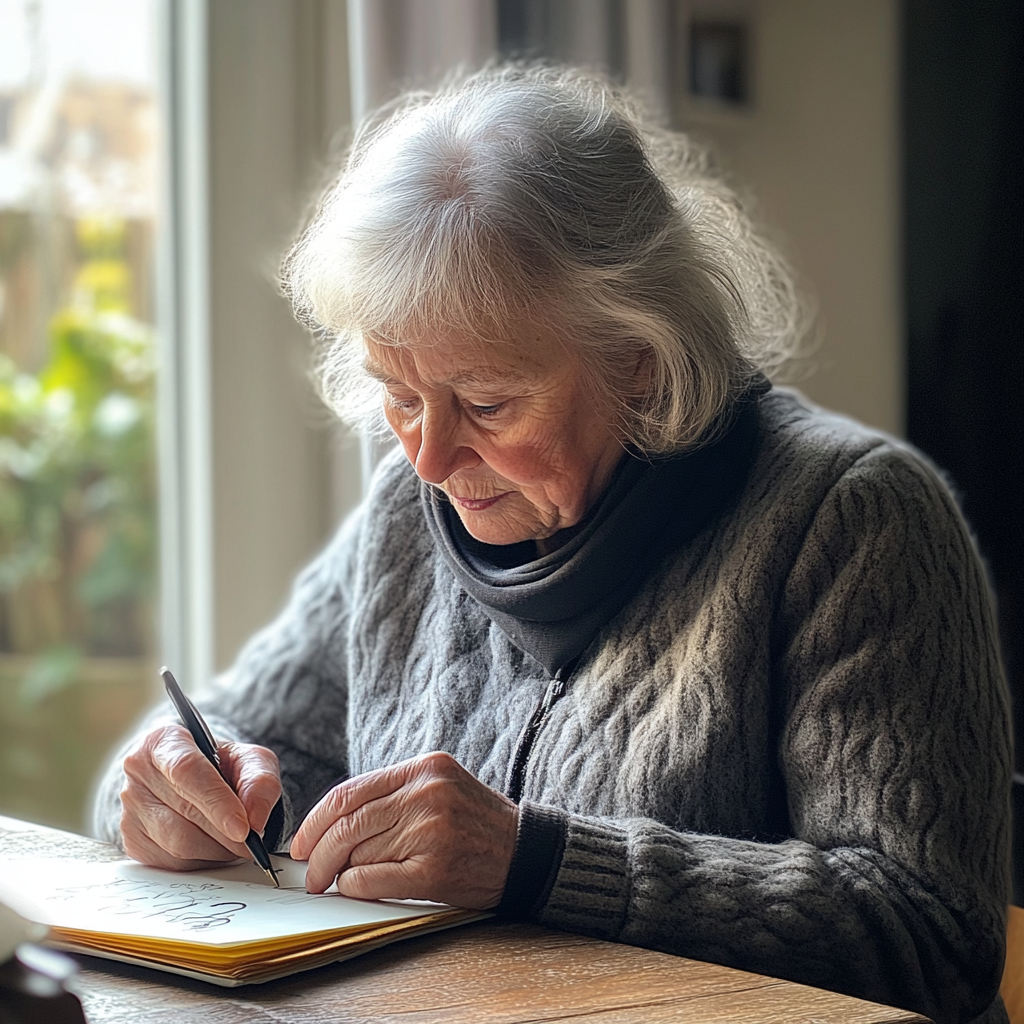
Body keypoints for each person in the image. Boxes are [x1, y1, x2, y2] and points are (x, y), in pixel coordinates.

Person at [93, 66, 1011, 1024]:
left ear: (639, 360)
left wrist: (539, 862)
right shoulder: (407, 516)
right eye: (400, 397)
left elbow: (932, 937)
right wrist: (181, 795)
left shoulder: (852, 518)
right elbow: (241, 743)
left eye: (486, 403)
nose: (432, 456)